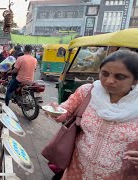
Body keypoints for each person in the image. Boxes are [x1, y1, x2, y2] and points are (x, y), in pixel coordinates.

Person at [47, 50, 138, 179]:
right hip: (76, 171)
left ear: (135, 80)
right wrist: (55, 110)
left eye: (120, 77)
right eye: (105, 74)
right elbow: (65, 112)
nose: (109, 81)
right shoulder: (87, 92)